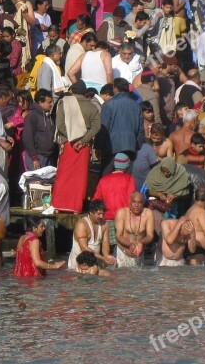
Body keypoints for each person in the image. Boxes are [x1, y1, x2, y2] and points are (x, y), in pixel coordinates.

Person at [52, 80, 102, 213]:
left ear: (72, 91)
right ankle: (75, 207)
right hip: (83, 147)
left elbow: (60, 125)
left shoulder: (64, 103)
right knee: (80, 177)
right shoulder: (92, 107)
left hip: (68, 144)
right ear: (85, 92)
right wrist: (84, 139)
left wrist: (72, 138)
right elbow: (97, 126)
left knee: (63, 175)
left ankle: (58, 205)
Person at [67, 199, 117, 270]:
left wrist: (106, 256)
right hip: (78, 264)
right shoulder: (81, 225)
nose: (101, 216)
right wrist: (102, 258)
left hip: (94, 263)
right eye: (99, 214)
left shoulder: (104, 224)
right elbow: (84, 248)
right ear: (91, 212)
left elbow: (105, 245)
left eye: (103, 214)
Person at [113, 191, 155, 268]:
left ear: (143, 203)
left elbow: (150, 235)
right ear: (130, 202)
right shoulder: (122, 213)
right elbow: (118, 235)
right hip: (123, 253)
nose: (136, 205)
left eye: (139, 202)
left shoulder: (148, 213)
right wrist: (130, 244)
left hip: (139, 254)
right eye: (134, 202)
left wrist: (140, 243)